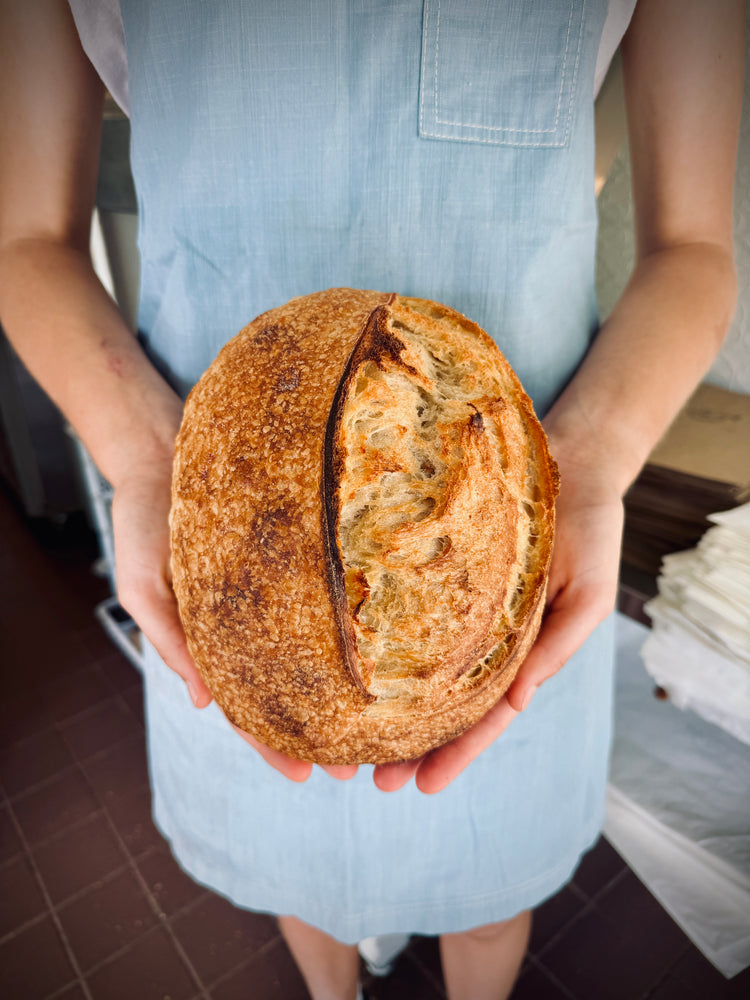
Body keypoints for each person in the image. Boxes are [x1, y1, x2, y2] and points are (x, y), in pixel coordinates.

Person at [0, 2, 744, 998]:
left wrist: (594, 465)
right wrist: (143, 461)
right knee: (297, 877)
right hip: (223, 566)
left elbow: (693, 247)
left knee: (491, 889)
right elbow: (25, 241)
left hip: (506, 563)